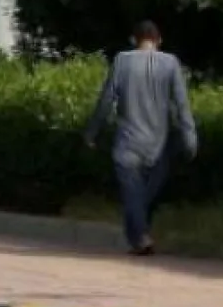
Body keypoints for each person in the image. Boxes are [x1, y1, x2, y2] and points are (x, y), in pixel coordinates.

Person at [84, 21, 198, 256]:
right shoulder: (171, 63)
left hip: (128, 143)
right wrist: (190, 138)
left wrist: (92, 132)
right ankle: (139, 239)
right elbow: (182, 105)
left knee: (134, 195)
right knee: (141, 196)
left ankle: (141, 237)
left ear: (133, 39)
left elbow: (106, 100)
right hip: (158, 146)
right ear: (159, 40)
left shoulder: (122, 60)